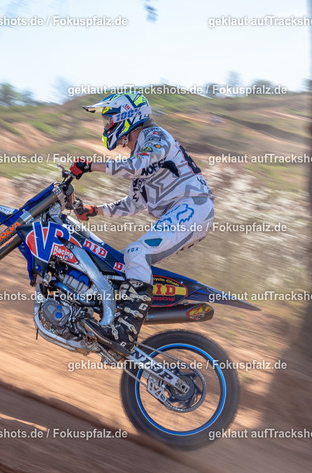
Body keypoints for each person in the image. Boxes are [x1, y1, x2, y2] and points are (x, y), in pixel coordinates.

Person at [70, 92, 214, 355]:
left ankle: (124, 334)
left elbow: (135, 166)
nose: (107, 125)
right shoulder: (141, 155)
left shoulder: (155, 137)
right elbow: (132, 204)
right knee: (120, 263)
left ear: (127, 117)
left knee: (137, 253)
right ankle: (112, 323)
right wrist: (94, 210)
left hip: (193, 207)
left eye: (109, 120)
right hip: (184, 212)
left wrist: (91, 166)